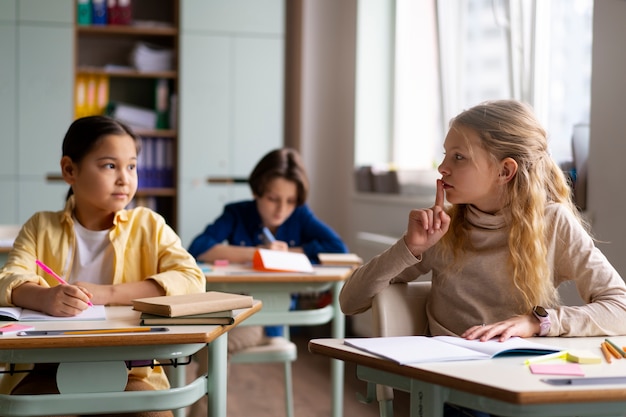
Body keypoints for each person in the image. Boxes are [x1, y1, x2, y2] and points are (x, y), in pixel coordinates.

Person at [339, 100, 626, 417]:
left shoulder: (553, 222)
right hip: (455, 393)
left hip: (525, 385)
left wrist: (538, 322)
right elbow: (350, 301)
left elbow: (620, 308)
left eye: (458, 157)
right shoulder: (443, 228)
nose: (442, 167)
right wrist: (409, 246)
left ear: (505, 170)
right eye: (446, 153)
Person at [0, 115, 206, 417]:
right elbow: (10, 277)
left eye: (132, 166)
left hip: (131, 373)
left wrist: (107, 293)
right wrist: (44, 297)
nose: (125, 178)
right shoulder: (41, 226)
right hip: (45, 372)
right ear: (70, 170)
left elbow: (191, 279)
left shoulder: (149, 225)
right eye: (110, 165)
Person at [186, 147, 348, 417]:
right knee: (195, 339)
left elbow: (338, 249)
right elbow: (199, 247)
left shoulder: (301, 215)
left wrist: (292, 252)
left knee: (214, 343)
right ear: (257, 192)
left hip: (268, 317)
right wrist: (260, 254)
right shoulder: (237, 213)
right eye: (273, 198)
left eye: (290, 200)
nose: (281, 209)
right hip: (229, 307)